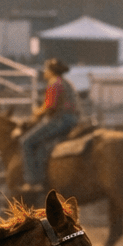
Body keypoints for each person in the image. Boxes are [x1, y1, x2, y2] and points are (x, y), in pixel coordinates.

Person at [20, 58, 80, 194]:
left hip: (60, 119)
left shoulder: (54, 83)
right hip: (72, 119)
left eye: (46, 69)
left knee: (26, 142)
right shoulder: (67, 83)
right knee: (43, 144)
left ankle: (32, 181)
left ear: (52, 71)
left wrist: (37, 112)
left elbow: (50, 106)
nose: (44, 72)